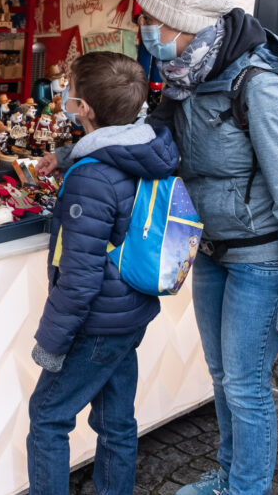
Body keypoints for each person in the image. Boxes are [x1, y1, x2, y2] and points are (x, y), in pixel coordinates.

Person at [39, 0, 278, 495]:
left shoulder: (260, 86)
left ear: (183, 25)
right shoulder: (186, 75)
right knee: (224, 377)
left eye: (151, 21)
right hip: (213, 249)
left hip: (262, 259)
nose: (144, 30)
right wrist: (69, 156)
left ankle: (245, 489)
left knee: (248, 385)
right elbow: (144, 139)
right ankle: (228, 476)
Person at [28, 51, 180, 494]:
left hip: (94, 324)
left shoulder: (90, 178)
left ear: (85, 108)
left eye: (69, 91)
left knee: (48, 417)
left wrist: (51, 345)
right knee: (116, 422)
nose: (64, 97)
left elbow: (79, 276)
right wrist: (67, 154)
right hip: (129, 312)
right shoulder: (144, 147)